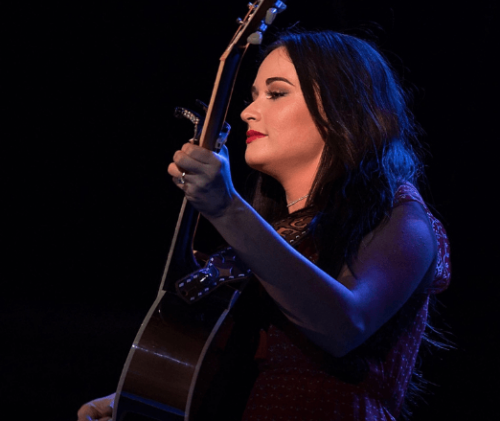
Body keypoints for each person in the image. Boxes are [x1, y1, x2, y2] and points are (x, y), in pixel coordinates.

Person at [77, 30, 450, 421]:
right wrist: (143, 400)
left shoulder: (400, 214)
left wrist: (226, 209)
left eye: (276, 93)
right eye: (253, 96)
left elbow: (344, 325)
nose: (247, 112)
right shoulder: (270, 237)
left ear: (344, 107)